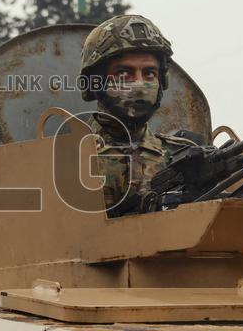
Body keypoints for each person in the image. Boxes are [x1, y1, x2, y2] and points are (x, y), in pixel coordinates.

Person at [80, 14, 195, 216]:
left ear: (162, 81)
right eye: (124, 74)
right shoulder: (66, 158)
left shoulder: (182, 156)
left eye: (149, 73)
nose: (140, 85)